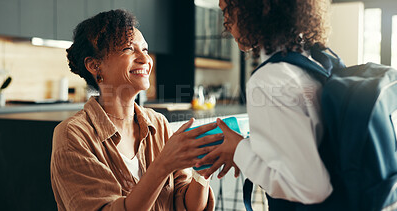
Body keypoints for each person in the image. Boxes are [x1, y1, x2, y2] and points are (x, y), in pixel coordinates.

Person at [50, 9, 221, 211]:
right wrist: (163, 164)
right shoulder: (73, 135)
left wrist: (203, 170)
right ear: (95, 66)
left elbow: (186, 205)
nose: (145, 59)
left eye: (146, 50)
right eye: (128, 49)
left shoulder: (158, 124)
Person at [197, 0, 334, 207]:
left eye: (227, 10)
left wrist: (239, 149)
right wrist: (249, 148)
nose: (225, 22)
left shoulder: (270, 79)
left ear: (252, 8)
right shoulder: (311, 64)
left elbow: (310, 188)